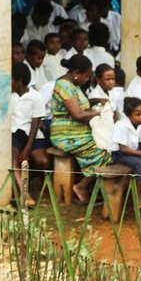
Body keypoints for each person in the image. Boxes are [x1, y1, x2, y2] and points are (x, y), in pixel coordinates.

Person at [49, 54, 110, 204]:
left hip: (77, 131)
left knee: (107, 144)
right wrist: (99, 112)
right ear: (76, 73)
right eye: (87, 76)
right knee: (102, 151)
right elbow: (77, 113)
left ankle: (91, 187)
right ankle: (81, 187)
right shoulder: (64, 85)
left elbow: (78, 104)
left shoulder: (72, 85)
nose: (88, 79)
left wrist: (94, 101)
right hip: (65, 134)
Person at [10, 62, 51, 203]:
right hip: (15, 134)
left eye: (11, 79)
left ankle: (27, 177)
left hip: (32, 134)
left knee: (43, 161)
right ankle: (24, 193)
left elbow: (35, 123)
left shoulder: (36, 97)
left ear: (19, 81)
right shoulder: (9, 96)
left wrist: (28, 147)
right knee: (13, 158)